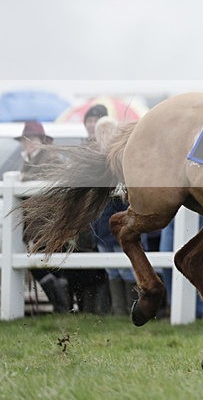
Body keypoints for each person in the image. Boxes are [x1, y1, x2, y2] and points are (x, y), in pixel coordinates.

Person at [84, 105, 137, 316]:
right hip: (103, 224)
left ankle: (128, 309)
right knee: (113, 269)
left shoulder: (116, 160)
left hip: (114, 223)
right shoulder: (103, 160)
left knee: (123, 268)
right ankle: (119, 309)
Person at [16, 121, 71, 313]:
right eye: (26, 139)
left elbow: (55, 180)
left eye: (32, 138)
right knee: (42, 265)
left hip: (49, 222)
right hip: (35, 224)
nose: (29, 142)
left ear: (41, 140)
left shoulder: (50, 158)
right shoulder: (27, 161)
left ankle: (62, 307)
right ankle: (61, 306)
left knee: (49, 264)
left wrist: (24, 180)